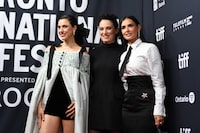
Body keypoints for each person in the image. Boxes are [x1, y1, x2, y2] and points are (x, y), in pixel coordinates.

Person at [24, 14, 90, 133]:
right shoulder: (50, 50)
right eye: (59, 27)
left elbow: (85, 85)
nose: (61, 30)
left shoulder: (83, 54)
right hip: (50, 103)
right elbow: (41, 82)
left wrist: (79, 103)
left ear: (74, 28)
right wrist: (39, 104)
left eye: (64, 26)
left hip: (70, 107)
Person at [118, 16, 166, 133]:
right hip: (128, 102)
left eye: (130, 26)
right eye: (123, 27)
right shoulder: (123, 55)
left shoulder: (149, 48)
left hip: (146, 101)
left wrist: (159, 109)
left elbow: (158, 82)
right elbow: (124, 81)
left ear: (138, 27)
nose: (127, 30)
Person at [88, 13, 126, 133]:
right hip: (95, 107)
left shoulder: (125, 52)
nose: (104, 32)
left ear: (116, 30)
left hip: (116, 107)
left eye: (108, 28)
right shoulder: (92, 53)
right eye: (101, 29)